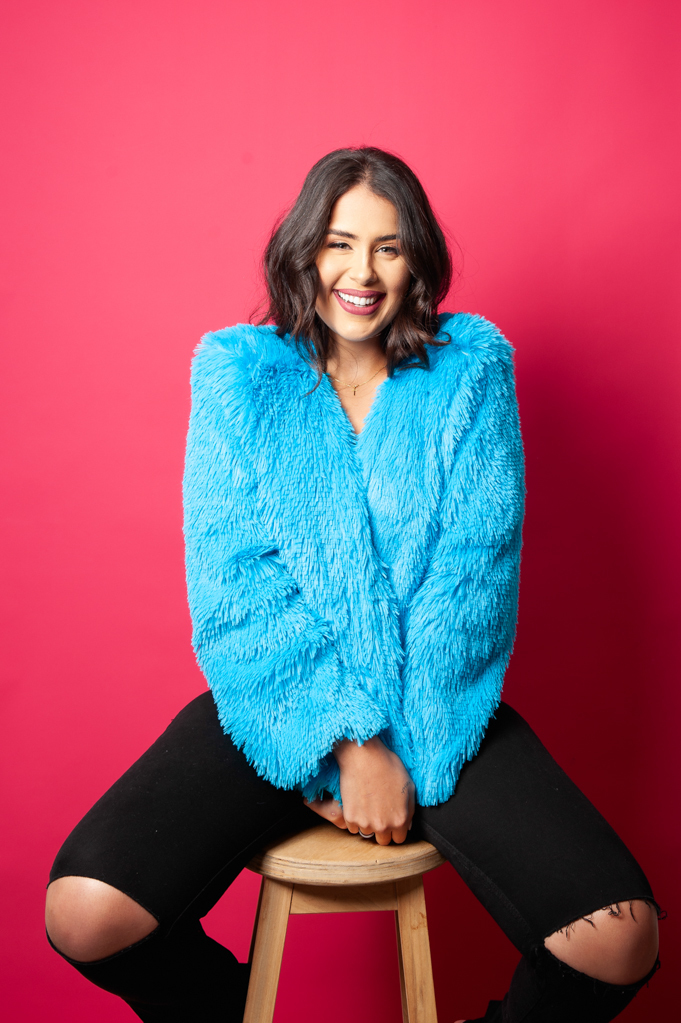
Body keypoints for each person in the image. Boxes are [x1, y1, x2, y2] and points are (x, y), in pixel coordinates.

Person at [45, 147, 661, 1023]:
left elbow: (472, 584)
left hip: (438, 707)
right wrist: (345, 742)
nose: (361, 273)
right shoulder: (238, 380)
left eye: (387, 247)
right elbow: (234, 589)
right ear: (304, 250)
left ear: (417, 262)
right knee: (85, 910)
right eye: (339, 243)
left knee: (619, 936)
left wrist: (400, 748)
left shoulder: (469, 375)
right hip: (278, 698)